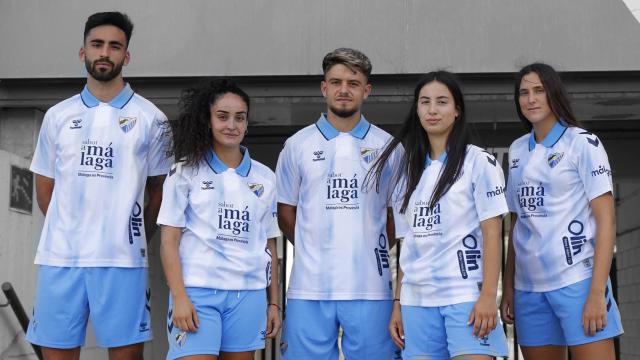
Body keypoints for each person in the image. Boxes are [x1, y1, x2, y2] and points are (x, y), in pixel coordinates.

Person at [27, 11, 171, 359]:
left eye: (114, 46)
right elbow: (45, 189)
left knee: (126, 355)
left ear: (126, 55)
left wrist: (132, 233)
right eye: (97, 44)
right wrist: (70, 227)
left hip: (122, 261)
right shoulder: (57, 116)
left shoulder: (152, 118)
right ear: (83, 52)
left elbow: (159, 192)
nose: (105, 52)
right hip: (61, 258)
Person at [369, 71, 509, 359]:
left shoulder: (479, 162)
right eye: (425, 102)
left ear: (457, 110)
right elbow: (409, 244)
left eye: (442, 102)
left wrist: (487, 297)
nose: (432, 110)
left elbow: (492, 234)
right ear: (417, 110)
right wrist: (398, 302)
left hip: (465, 299)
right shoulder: (407, 173)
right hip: (416, 303)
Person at [276, 48, 399, 360]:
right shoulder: (297, 145)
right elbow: (285, 212)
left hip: (371, 287)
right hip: (309, 287)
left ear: (366, 90)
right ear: (324, 87)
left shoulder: (388, 148)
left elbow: (395, 216)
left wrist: (369, 244)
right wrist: (315, 245)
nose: (344, 89)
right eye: (336, 81)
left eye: (353, 83)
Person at [500, 63, 624, 360]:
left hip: (578, 282)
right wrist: (508, 288)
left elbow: (606, 221)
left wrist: (596, 291)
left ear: (554, 93)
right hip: (528, 290)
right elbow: (517, 224)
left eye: (539, 91)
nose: (531, 99)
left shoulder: (582, 143)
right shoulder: (516, 150)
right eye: (524, 93)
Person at [158, 79, 281, 360]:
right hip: (197, 293)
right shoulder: (184, 172)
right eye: (223, 117)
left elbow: (270, 246)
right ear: (208, 120)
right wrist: (179, 296)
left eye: (240, 118)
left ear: (247, 124)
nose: (232, 125)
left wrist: (274, 303)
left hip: (247, 295)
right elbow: (169, 241)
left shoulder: (265, 177)